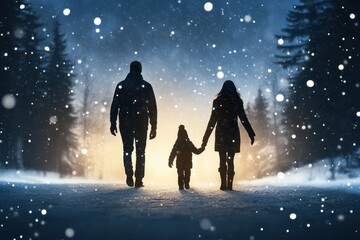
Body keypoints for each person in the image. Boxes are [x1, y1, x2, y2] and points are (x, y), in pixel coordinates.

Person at [110, 61, 157, 188]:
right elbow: (152, 107)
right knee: (140, 151)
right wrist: (154, 126)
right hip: (141, 122)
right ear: (140, 70)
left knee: (127, 149)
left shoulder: (121, 85)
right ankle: (139, 179)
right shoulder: (146, 86)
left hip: (125, 122)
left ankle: (129, 172)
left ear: (130, 70)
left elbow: (115, 105)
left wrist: (113, 122)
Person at [202, 80, 255, 190]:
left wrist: (205, 138)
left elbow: (212, 121)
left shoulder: (217, 101)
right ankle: (229, 184)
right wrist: (251, 133)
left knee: (222, 159)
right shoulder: (237, 101)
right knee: (230, 160)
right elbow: (243, 119)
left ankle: (223, 184)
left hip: (221, 133)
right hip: (232, 134)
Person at [168, 125, 204, 190]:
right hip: (187, 161)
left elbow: (173, 152)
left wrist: (170, 161)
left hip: (180, 162)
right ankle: (186, 184)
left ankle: (181, 186)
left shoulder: (177, 143)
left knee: (180, 175)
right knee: (187, 174)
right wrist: (202, 149)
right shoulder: (188, 143)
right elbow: (196, 151)